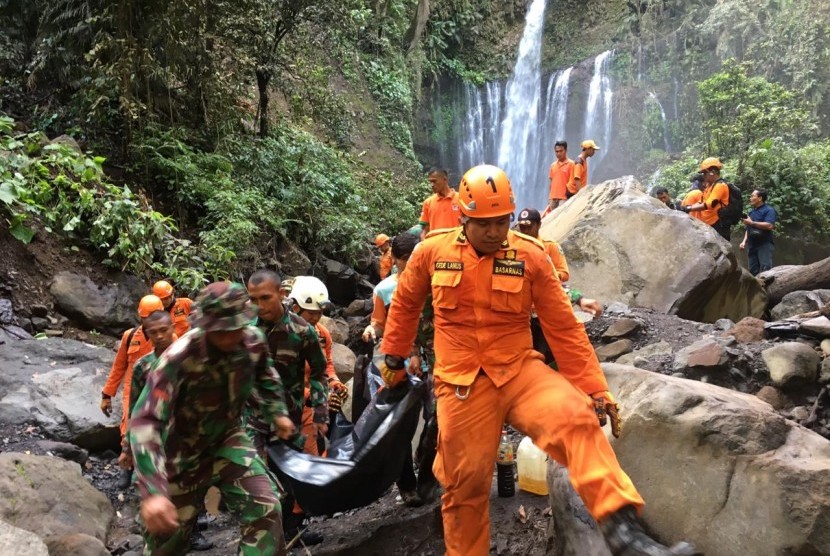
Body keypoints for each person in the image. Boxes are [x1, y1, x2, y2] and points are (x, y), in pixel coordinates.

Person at [380, 165, 697, 556]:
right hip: (461, 383)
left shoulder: (530, 256)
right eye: (485, 224)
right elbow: (406, 305)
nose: (496, 231)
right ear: (463, 216)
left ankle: (625, 536)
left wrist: (596, 389)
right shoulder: (432, 252)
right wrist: (394, 358)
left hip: (520, 372)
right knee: (465, 486)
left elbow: (564, 327)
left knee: (578, 420)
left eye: (502, 221)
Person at [128, 281, 294, 556]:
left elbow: (266, 376)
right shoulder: (177, 359)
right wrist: (153, 491)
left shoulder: (251, 341)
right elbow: (146, 421)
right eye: (221, 331)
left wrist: (277, 413)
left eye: (236, 328)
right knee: (166, 537)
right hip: (179, 451)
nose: (231, 338)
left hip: (227, 438)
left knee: (266, 508)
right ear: (205, 326)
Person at [246, 270, 329, 546]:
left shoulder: (302, 331)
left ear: (282, 295)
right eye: (253, 299)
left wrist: (319, 412)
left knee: (290, 478)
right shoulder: (245, 329)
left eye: (265, 298)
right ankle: (259, 540)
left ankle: (291, 529)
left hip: (289, 419)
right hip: (252, 420)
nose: (259, 305)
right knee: (253, 481)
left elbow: (319, 372)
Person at [361, 232, 424, 507]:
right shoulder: (384, 290)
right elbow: (379, 321)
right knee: (400, 423)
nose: (411, 265)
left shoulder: (431, 281)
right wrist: (370, 329)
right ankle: (408, 485)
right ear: (394, 259)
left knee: (436, 419)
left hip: (431, 357)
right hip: (397, 362)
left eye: (415, 259)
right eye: (406, 260)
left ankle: (432, 468)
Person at [100, 294, 165, 489]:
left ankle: (153, 471)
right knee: (127, 426)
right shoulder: (130, 336)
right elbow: (119, 367)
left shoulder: (168, 335)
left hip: (159, 387)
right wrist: (106, 395)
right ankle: (126, 468)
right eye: (147, 317)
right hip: (132, 388)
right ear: (140, 317)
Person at [287, 275, 349, 457]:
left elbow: (326, 364)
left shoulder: (322, 335)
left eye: (319, 313)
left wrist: (335, 384)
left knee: (310, 458)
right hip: (285, 405)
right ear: (296, 308)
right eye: (310, 313)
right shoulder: (283, 337)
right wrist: (318, 396)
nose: (315, 318)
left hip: (309, 409)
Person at [681, 157, 731, 240]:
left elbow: (710, 204)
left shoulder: (720, 185)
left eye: (704, 173)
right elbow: (702, 201)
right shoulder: (709, 186)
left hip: (719, 224)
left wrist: (688, 208)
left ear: (712, 172)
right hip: (709, 224)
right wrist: (687, 208)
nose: (703, 176)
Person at [740, 189, 777, 275]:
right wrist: (744, 241)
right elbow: (748, 228)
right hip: (752, 245)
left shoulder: (769, 210)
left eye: (752, 196)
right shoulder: (751, 212)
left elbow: (769, 225)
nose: (750, 198)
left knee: (765, 269)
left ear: (760, 198)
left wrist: (752, 222)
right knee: (753, 271)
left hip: (764, 244)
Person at [418, 167, 461, 234]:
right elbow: (425, 231)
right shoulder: (428, 202)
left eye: (434, 181)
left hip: (455, 243)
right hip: (435, 243)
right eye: (430, 182)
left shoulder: (461, 199)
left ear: (445, 179)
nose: (432, 185)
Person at [547, 140, 573, 212]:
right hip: (553, 198)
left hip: (564, 198)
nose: (558, 153)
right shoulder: (553, 165)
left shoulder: (571, 164)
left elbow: (573, 182)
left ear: (566, 150)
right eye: (556, 151)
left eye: (561, 151)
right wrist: (550, 197)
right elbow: (551, 182)